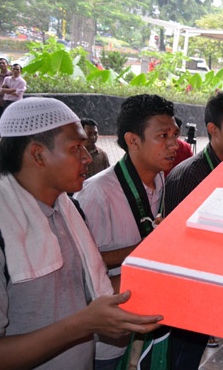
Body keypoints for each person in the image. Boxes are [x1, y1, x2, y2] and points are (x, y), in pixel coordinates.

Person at [0, 97, 162, 369]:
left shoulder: (68, 212)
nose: (87, 158)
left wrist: (162, 267)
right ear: (38, 154)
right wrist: (84, 323)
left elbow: (89, 292)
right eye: (76, 148)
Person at [75, 95, 180, 369]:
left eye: (175, 134)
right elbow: (83, 264)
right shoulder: (97, 193)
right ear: (133, 140)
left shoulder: (159, 177)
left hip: (142, 312)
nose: (174, 144)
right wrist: (147, 246)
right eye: (163, 136)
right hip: (107, 335)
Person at [165, 92, 223, 365]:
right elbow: (177, 247)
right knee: (184, 357)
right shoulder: (191, 174)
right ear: (213, 129)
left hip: (221, 284)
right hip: (190, 293)